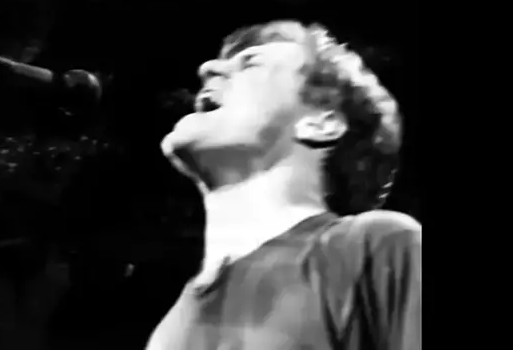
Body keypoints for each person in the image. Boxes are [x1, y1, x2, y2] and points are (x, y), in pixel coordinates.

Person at [145, 20, 420, 350]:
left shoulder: (375, 246)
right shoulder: (170, 328)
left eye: (252, 64)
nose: (208, 69)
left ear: (321, 123)